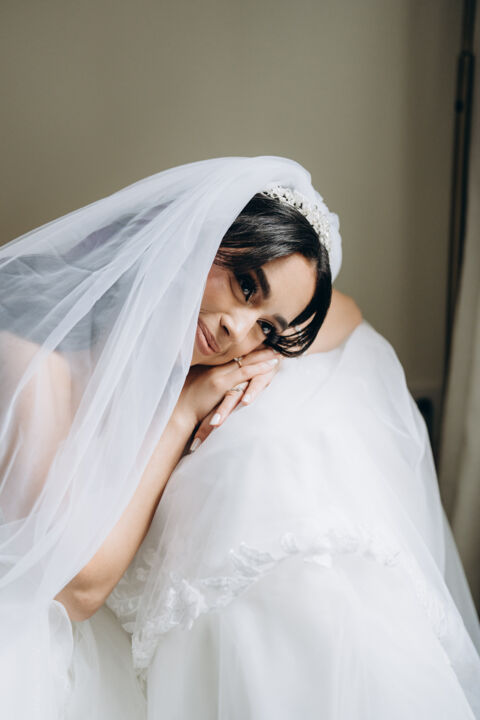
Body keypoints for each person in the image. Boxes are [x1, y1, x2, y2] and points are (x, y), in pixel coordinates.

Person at [0, 156, 479, 719]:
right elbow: (77, 590)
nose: (237, 332)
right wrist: (181, 416)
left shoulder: (215, 347)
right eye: (246, 284)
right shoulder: (36, 360)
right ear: (196, 235)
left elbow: (346, 314)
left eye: (267, 328)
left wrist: (270, 354)